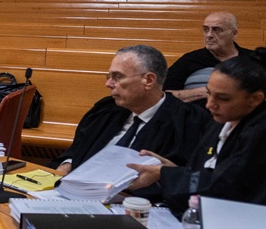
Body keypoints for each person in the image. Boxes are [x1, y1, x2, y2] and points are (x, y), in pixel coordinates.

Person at [128, 48, 266, 214]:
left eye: (223, 98)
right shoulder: (221, 120)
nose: (210, 104)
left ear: (255, 99)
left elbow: (230, 187)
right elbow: (202, 172)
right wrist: (169, 168)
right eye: (209, 94)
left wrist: (163, 173)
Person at [52, 45, 211, 176]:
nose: (108, 84)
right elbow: (76, 151)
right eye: (109, 76)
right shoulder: (105, 109)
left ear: (148, 80)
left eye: (117, 77)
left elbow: (187, 177)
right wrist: (67, 165)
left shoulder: (188, 121)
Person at [165, 12, 266, 112]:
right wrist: (205, 92)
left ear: (234, 34)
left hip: (248, 126)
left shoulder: (257, 60)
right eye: (206, 29)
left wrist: (250, 94)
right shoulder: (190, 60)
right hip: (198, 125)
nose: (209, 35)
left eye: (217, 30)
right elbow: (162, 96)